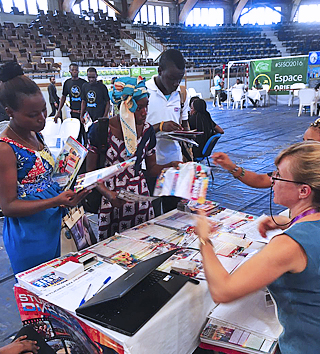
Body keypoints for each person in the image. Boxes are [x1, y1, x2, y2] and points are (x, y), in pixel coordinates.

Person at [196, 141, 320, 354]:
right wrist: (286, 221)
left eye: (278, 176)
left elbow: (223, 291)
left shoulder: (290, 245)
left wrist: (204, 240)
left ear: (303, 191)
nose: (272, 180)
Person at [0, 61, 88, 274]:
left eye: (43, 111)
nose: (42, 119)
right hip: (30, 236)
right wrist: (55, 200)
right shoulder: (5, 149)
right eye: (33, 115)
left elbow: (47, 179)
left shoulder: (34, 133)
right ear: (9, 112)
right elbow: (8, 207)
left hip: (52, 224)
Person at [86, 77, 180, 240]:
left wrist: (171, 165)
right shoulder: (100, 130)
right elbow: (91, 173)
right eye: (139, 108)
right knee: (112, 249)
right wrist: (108, 194)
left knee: (143, 243)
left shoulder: (147, 131)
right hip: (111, 201)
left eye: (146, 106)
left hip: (139, 202)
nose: (145, 112)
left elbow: (151, 169)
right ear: (123, 106)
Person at [212, 118, 320, 189]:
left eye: (310, 143)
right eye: (303, 141)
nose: (302, 146)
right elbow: (261, 180)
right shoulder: (296, 167)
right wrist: (232, 167)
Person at [145, 48, 189, 214]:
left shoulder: (182, 94)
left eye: (179, 78)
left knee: (175, 213)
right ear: (159, 71)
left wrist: (187, 136)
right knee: (153, 214)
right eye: (171, 78)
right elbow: (134, 132)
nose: (176, 83)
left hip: (174, 162)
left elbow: (184, 126)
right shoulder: (144, 92)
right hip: (150, 166)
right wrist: (160, 126)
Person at [54, 63, 87, 144]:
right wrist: (58, 112)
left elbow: (85, 100)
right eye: (73, 70)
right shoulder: (67, 83)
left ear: (78, 71)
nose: (74, 71)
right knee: (76, 136)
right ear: (69, 71)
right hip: (74, 113)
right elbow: (63, 97)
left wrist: (83, 113)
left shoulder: (84, 83)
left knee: (85, 135)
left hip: (84, 114)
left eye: (76, 70)